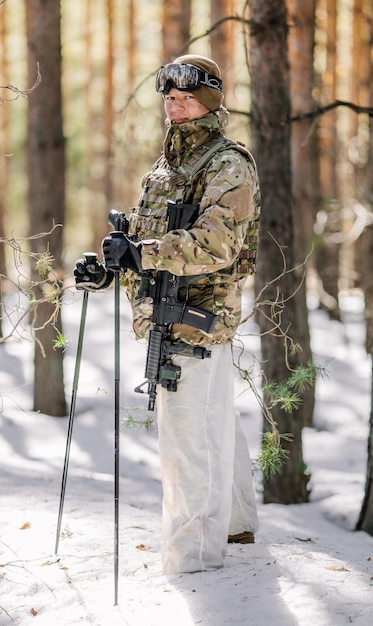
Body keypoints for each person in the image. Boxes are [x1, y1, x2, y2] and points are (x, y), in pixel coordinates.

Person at [74, 54, 260, 576]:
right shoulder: (165, 167)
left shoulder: (228, 163)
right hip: (167, 309)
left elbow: (219, 243)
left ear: (208, 103)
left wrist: (145, 253)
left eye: (187, 99)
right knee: (215, 423)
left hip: (197, 317)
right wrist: (110, 264)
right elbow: (141, 236)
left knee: (187, 442)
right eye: (170, 97)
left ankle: (193, 562)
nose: (175, 107)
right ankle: (235, 524)